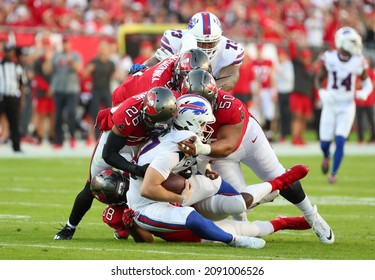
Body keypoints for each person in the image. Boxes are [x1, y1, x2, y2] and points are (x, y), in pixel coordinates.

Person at [108, 94, 309, 249]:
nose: (206, 128)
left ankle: (278, 185)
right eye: (203, 123)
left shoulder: (186, 138)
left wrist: (206, 169)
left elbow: (190, 160)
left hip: (174, 191)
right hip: (148, 205)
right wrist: (178, 199)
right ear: (190, 121)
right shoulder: (172, 149)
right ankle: (235, 240)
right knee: (193, 217)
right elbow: (148, 189)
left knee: (237, 202)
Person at [178, 69, 335, 244]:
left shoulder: (229, 105)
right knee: (237, 201)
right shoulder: (179, 110)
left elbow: (229, 145)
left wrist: (202, 150)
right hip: (215, 152)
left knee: (281, 178)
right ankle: (244, 225)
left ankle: (312, 216)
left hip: (247, 141)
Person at [54, 87, 177, 240]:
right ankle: (69, 228)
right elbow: (109, 154)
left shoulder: (170, 102)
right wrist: (135, 169)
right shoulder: (127, 116)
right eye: (156, 121)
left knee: (144, 181)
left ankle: (125, 221)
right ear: (144, 112)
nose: (161, 126)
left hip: (142, 140)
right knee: (96, 185)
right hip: (119, 141)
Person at [93, 170, 311, 244]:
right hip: (187, 233)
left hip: (194, 202)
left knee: (238, 202)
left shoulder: (139, 176)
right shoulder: (119, 214)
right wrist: (130, 227)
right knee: (251, 231)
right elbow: (147, 240)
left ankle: (276, 185)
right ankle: (282, 222)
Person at [315, 26, 373, 184]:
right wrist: (322, 92)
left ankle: (333, 173)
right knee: (324, 143)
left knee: (340, 140)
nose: (356, 45)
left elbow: (367, 83)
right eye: (352, 42)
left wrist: (365, 92)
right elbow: (319, 79)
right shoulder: (329, 57)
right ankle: (326, 155)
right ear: (342, 42)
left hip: (347, 105)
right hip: (330, 104)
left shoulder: (358, 61)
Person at [141, 11, 244, 91]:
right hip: (172, 89)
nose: (206, 48)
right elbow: (156, 62)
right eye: (201, 43)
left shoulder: (229, 51)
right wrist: (142, 70)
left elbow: (231, 77)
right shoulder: (175, 40)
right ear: (190, 36)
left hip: (211, 95)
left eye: (210, 43)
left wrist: (208, 90)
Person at [46, 36, 82, 149]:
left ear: (70, 44)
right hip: (58, 89)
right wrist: (48, 59)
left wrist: (71, 62)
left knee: (71, 113)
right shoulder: (56, 55)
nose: (65, 45)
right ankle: (58, 140)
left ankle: (72, 136)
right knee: (58, 115)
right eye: (64, 43)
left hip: (72, 89)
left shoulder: (75, 55)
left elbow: (79, 69)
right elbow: (47, 70)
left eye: (67, 43)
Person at [83, 40, 115, 140]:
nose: (103, 50)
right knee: (95, 114)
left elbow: (114, 76)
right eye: (101, 48)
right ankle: (95, 137)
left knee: (111, 112)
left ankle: (110, 134)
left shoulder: (110, 63)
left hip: (106, 89)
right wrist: (88, 69)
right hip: (96, 89)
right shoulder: (94, 62)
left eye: (104, 48)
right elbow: (84, 75)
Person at [0, 43, 26, 152]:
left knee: (14, 122)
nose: (9, 53)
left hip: (13, 97)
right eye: (7, 51)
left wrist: (22, 100)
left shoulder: (17, 66)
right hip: (1, 96)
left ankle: (16, 146)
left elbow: (22, 84)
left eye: (10, 51)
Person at [290, 48, 315, 145]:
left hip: (307, 96)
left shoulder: (311, 69)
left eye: (307, 57)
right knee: (297, 116)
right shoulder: (297, 65)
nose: (306, 59)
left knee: (305, 118)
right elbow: (293, 53)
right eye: (304, 57)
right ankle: (295, 137)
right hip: (298, 95)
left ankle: (301, 137)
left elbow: (312, 85)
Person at [275, 48, 294, 142]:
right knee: (281, 114)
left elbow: (289, 78)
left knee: (287, 114)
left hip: (288, 92)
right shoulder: (279, 65)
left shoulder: (288, 65)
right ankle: (283, 134)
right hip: (281, 92)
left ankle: (288, 133)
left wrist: (280, 72)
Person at [355, 57, 375, 144]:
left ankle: (373, 137)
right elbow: (355, 85)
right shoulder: (357, 72)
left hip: (369, 100)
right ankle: (360, 138)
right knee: (359, 120)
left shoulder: (371, 72)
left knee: (371, 119)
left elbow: (372, 84)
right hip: (359, 100)